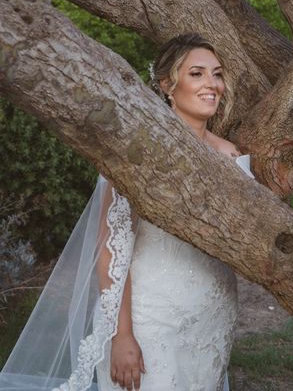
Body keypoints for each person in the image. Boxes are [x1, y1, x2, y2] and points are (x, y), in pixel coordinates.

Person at [0, 34, 252, 391]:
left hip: (213, 316)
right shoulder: (140, 150)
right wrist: (121, 334)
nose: (212, 84)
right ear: (167, 84)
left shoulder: (229, 154)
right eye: (197, 74)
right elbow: (110, 247)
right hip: (152, 318)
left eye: (217, 74)